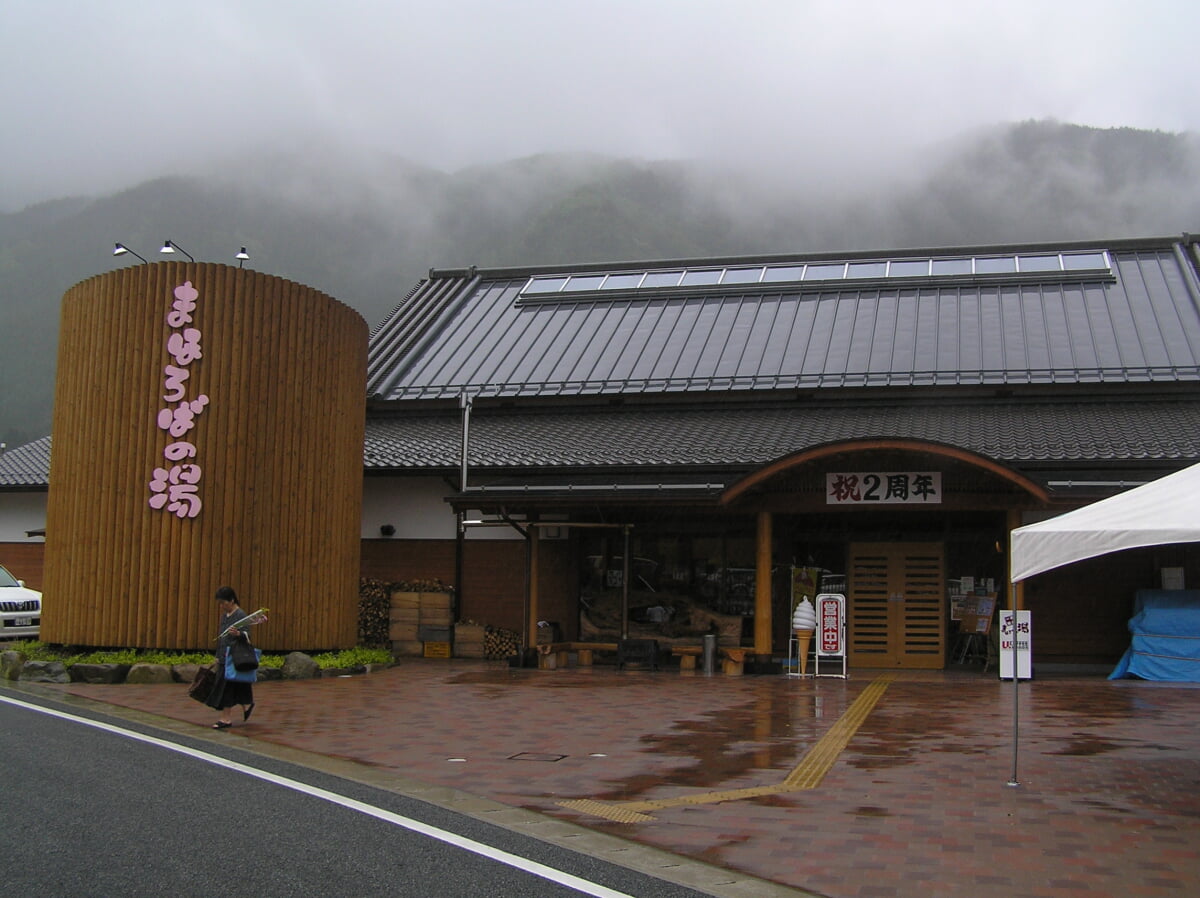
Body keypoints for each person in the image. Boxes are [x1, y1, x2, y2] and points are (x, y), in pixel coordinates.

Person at [206, 585, 255, 729]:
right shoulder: (224, 616)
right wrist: (217, 655)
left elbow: (248, 636)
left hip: (233, 657)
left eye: (224, 603)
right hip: (224, 655)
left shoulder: (240, 615)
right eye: (220, 603)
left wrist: (238, 634)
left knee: (225, 687)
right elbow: (221, 637)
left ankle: (226, 718)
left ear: (232, 600)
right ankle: (247, 704)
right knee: (236, 684)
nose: (222, 606)